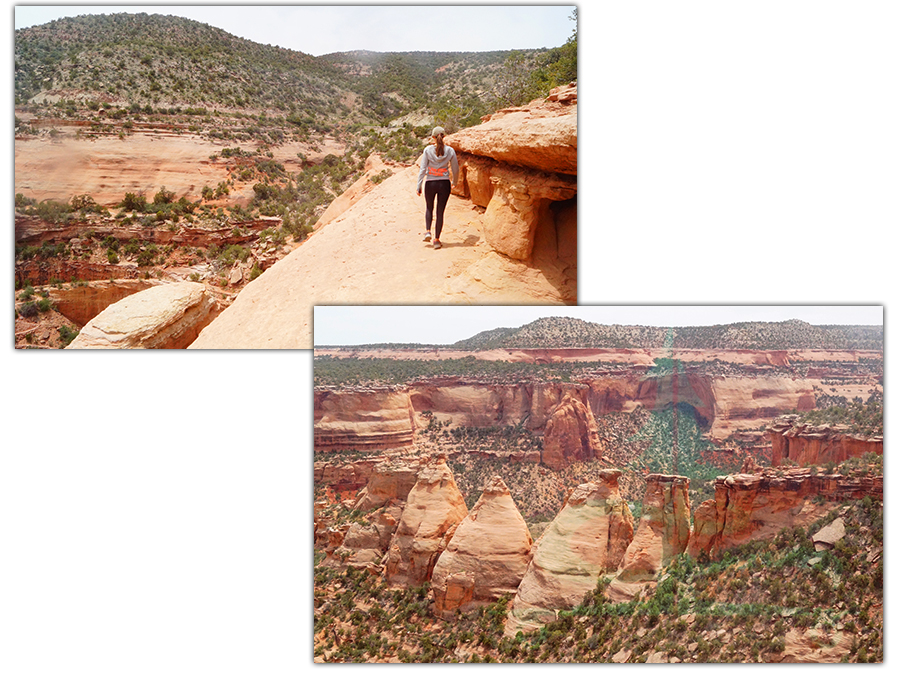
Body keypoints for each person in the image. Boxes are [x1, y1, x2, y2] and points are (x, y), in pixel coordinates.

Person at [416, 126, 459, 249]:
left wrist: (418, 185)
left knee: (429, 208)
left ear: (433, 137)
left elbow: (423, 169)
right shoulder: (450, 151)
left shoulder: (428, 150)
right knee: (440, 212)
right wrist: (455, 181)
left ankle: (428, 231)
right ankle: (436, 240)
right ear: (444, 136)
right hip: (444, 183)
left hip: (430, 183)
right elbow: (455, 169)